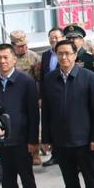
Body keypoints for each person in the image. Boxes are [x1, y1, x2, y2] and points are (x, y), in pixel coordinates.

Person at [41, 40, 94, 188]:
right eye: (60, 53)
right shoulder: (50, 79)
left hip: (85, 141)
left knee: (90, 181)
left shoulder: (89, 77)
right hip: (61, 141)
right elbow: (47, 111)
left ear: (75, 55)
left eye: (68, 53)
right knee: (70, 183)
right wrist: (47, 138)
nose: (64, 57)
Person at [0, 44, 40, 188]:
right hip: (1, 143)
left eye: (5, 57)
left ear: (14, 59)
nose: (2, 61)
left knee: (27, 180)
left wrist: (33, 141)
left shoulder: (26, 82)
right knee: (7, 181)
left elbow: (33, 114)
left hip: (22, 141)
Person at [40, 27, 64, 167]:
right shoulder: (45, 55)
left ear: (62, 38)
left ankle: (63, 155)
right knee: (51, 124)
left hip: (62, 94)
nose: (54, 40)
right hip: (48, 95)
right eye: (51, 37)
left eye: (56, 37)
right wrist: (41, 96)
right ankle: (55, 155)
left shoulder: (66, 53)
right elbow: (42, 77)